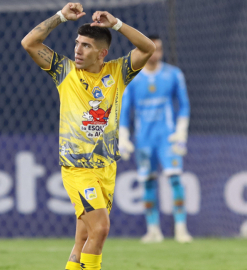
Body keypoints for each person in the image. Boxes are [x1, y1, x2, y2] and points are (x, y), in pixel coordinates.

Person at [21, 3, 155, 269]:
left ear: (102, 53)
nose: (77, 50)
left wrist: (116, 24)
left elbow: (147, 48)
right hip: (77, 168)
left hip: (106, 168)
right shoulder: (65, 71)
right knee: (101, 228)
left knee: (83, 237)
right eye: (77, 43)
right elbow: (29, 42)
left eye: (86, 46)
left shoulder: (117, 72)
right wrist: (60, 17)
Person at [119, 34, 192, 243]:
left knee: (175, 178)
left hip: (167, 137)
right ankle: (153, 230)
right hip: (144, 139)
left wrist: (181, 132)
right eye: (152, 49)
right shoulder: (133, 78)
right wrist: (123, 137)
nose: (156, 54)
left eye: (159, 49)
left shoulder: (173, 74)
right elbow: (125, 111)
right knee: (148, 182)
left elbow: (184, 105)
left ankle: (180, 229)